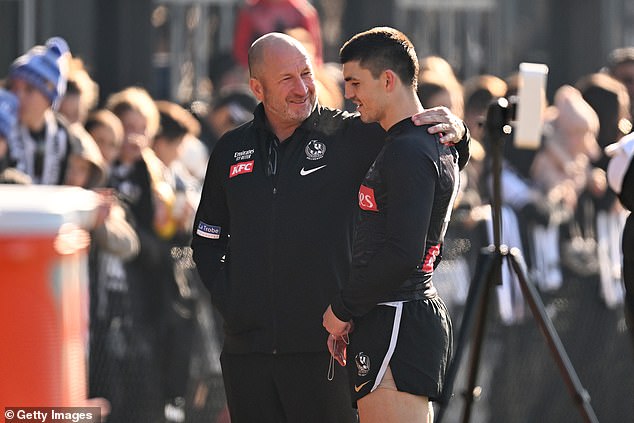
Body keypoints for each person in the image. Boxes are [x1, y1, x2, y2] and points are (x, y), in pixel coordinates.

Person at [191, 31, 469, 423]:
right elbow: (206, 240)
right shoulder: (230, 149)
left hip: (326, 349)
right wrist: (234, 303)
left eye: (306, 73)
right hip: (247, 351)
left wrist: (459, 134)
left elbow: (424, 150)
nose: (302, 87)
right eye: (287, 78)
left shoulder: (355, 134)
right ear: (257, 87)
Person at [321, 27, 459, 423]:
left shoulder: (410, 149)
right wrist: (463, 133)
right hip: (395, 313)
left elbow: (402, 252)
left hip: (398, 314)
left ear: (387, 80)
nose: (349, 94)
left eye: (355, 82)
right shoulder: (426, 139)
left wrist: (342, 308)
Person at [6, 37, 75, 185]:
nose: (18, 96)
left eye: (29, 90)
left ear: (49, 99)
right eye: (14, 87)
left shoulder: (62, 133)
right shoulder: (3, 127)